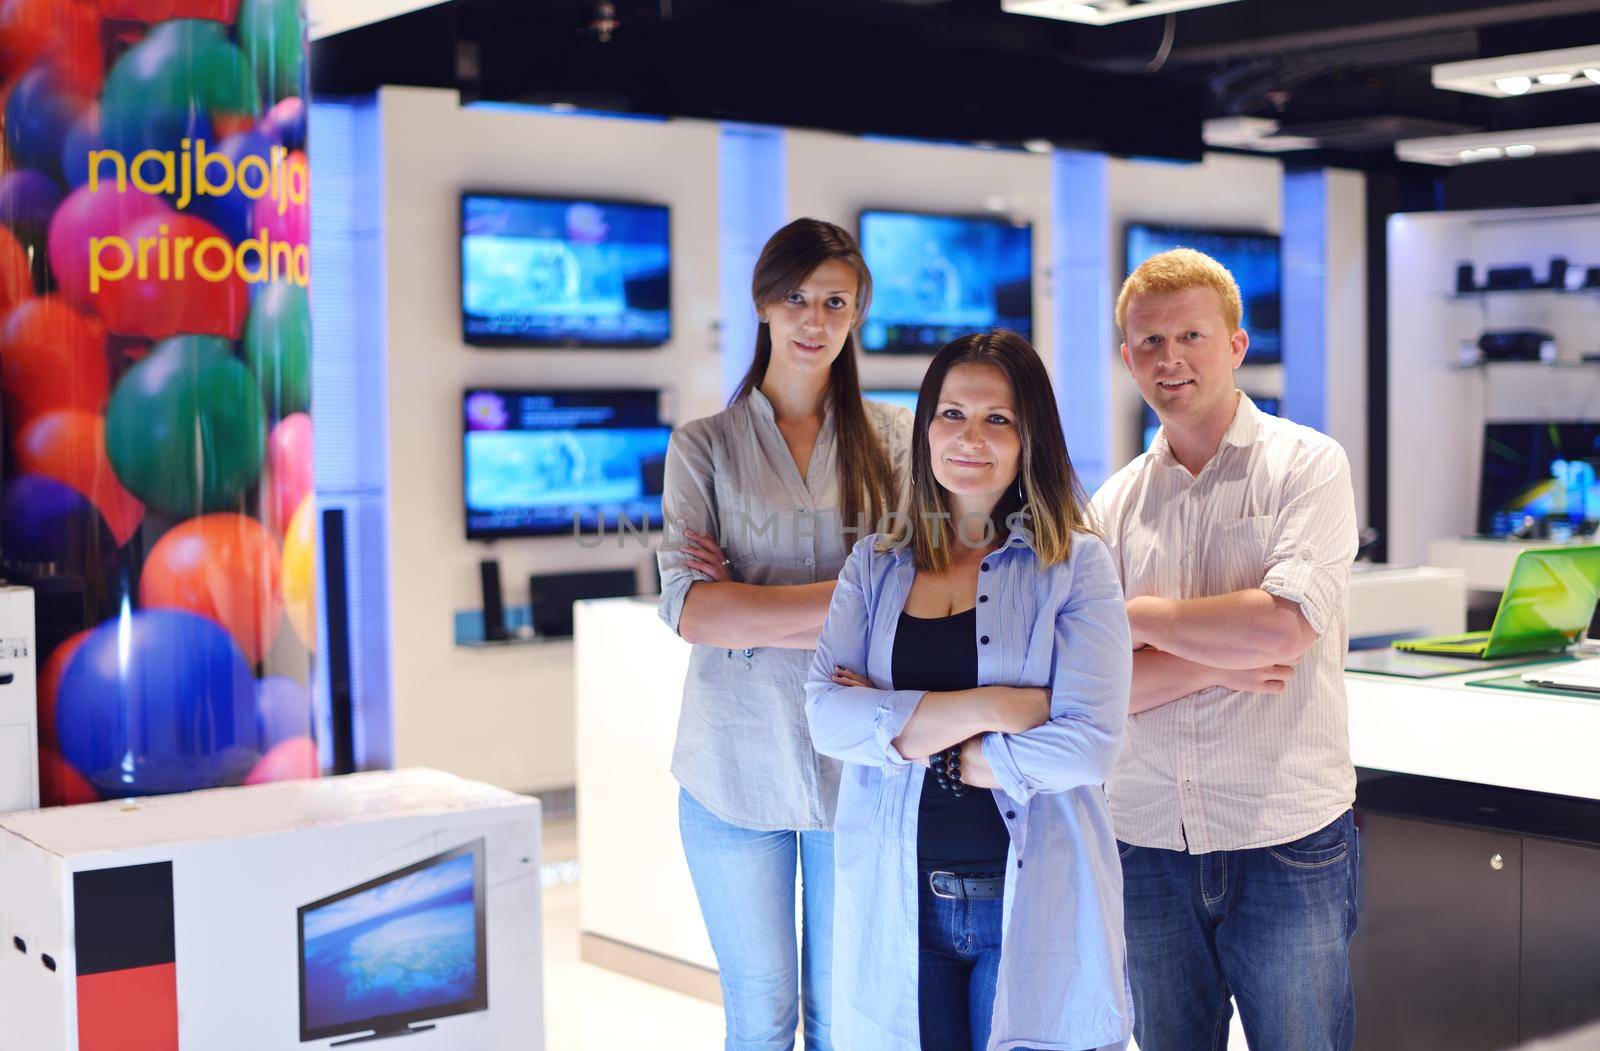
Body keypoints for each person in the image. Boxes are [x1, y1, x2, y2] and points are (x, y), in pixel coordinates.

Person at [804, 330, 1133, 1051]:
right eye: (951, 414)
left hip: (1030, 899)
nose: (969, 438)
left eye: (997, 420)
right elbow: (827, 716)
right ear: (925, 427)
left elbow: (1086, 747)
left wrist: (908, 734)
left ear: (1029, 438)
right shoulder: (875, 563)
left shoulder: (1077, 566)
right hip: (898, 899)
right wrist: (997, 709)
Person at [1090, 248, 1360, 1051]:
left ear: (1237, 345)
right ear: (1127, 357)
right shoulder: (1113, 504)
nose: (1169, 358)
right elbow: (1103, 682)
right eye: (1149, 342)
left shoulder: (1308, 466)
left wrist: (1142, 615)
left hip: (1285, 833)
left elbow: (1282, 628)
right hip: (1146, 841)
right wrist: (1217, 655)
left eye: (1192, 336)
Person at [656, 217, 913, 1051]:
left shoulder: (897, 442)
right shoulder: (704, 447)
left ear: (856, 313)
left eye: (834, 301)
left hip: (861, 774)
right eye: (796, 297)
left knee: (850, 1020)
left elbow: (919, 593)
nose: (813, 319)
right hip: (733, 771)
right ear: (765, 303)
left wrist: (751, 600)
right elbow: (695, 613)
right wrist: (852, 600)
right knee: (760, 1019)